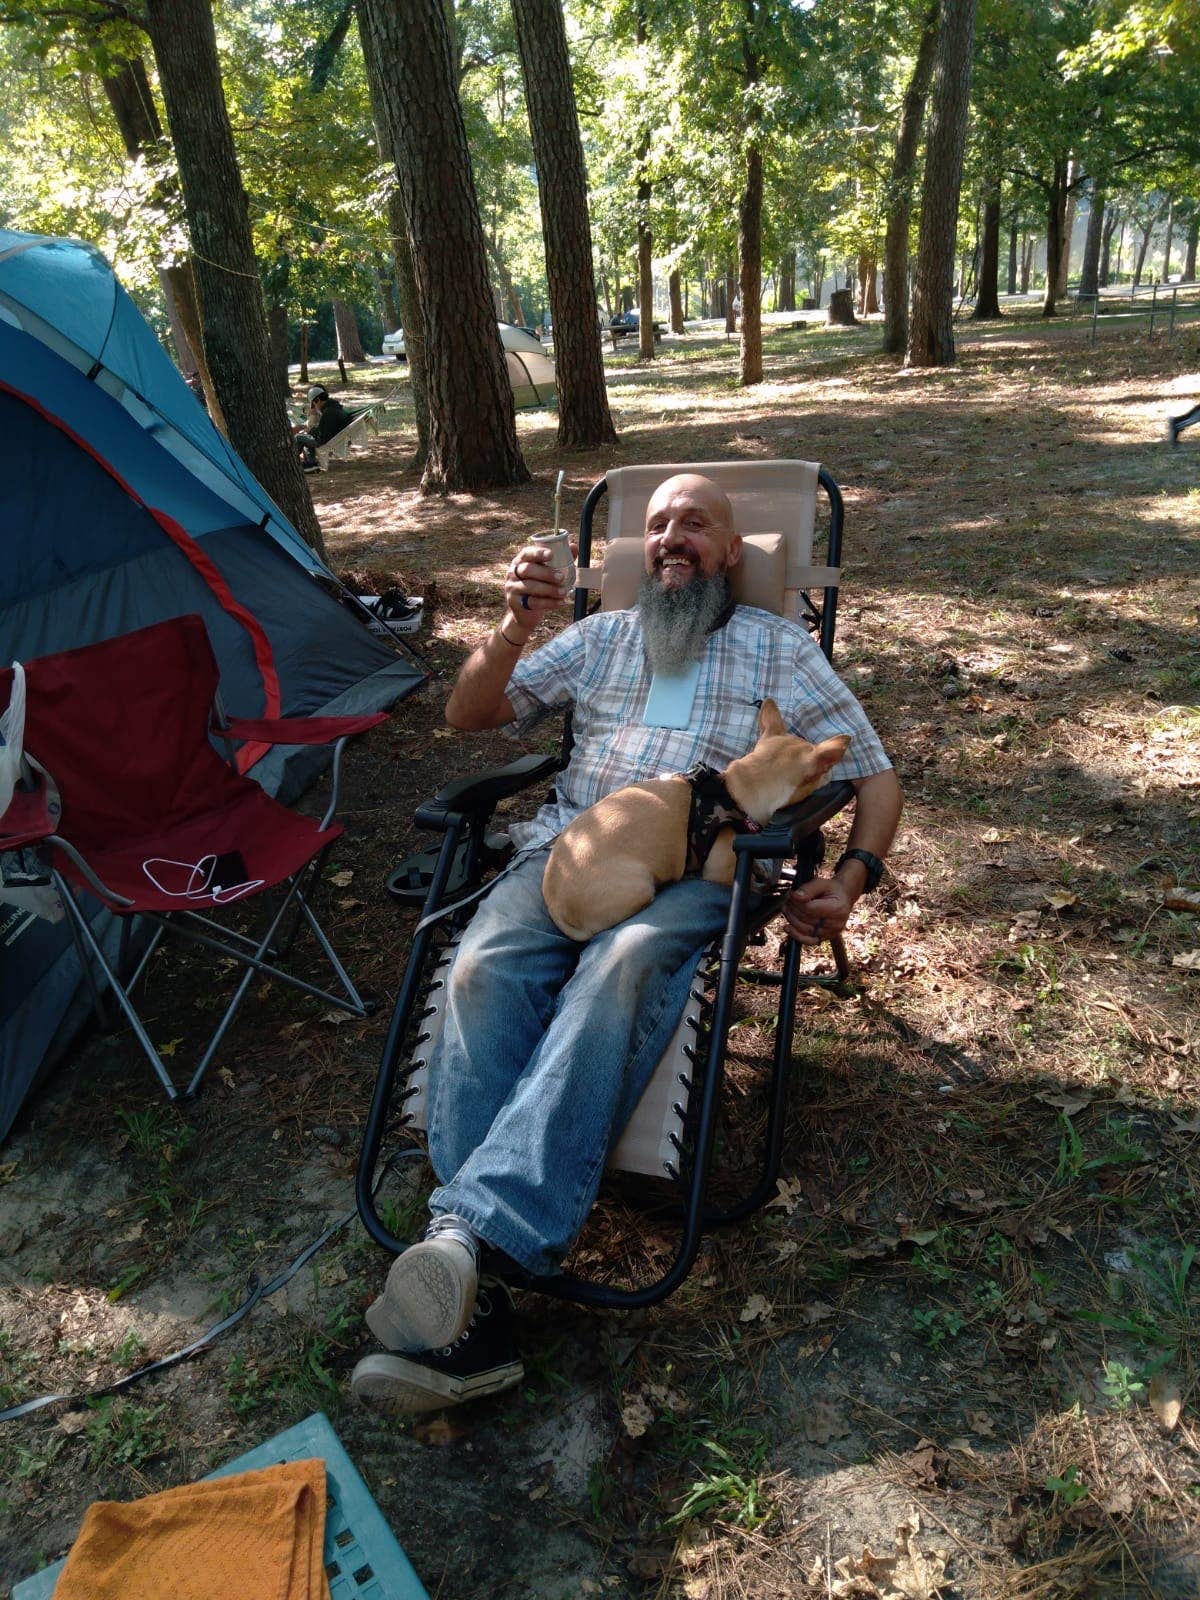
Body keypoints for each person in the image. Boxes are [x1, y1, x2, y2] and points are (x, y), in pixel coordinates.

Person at [350, 474, 902, 1416]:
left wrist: (851, 881)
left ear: (733, 553)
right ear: (636, 554)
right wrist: (516, 625)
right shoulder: (599, 637)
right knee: (479, 968)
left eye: (696, 523)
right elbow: (468, 716)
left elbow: (878, 774)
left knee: (619, 970)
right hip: (568, 846)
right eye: (656, 526)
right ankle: (475, 1261)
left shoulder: (776, 647)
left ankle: (461, 1250)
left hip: (697, 873)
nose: (672, 537)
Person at [293, 384, 357, 470]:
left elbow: (322, 435)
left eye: (314, 404)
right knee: (306, 438)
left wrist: (310, 430)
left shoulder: (328, 412)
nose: (315, 407)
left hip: (327, 441)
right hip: (335, 437)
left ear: (318, 400)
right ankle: (311, 464)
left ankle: (290, 462)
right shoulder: (335, 407)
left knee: (298, 437)